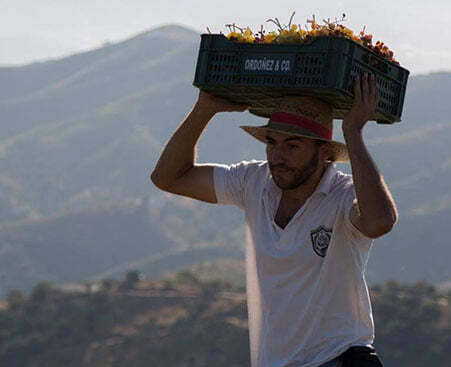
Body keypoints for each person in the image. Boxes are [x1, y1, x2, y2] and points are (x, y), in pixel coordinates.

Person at [151, 73, 397, 367]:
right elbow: (168, 177)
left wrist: (353, 133)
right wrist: (204, 109)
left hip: (339, 359)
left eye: (292, 146)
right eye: (272, 143)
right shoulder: (253, 181)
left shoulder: (342, 196)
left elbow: (380, 221)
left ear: (324, 154)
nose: (277, 156)